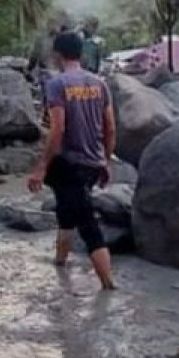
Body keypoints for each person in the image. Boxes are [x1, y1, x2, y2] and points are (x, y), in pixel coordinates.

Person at [28, 31, 118, 291]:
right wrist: (105, 160)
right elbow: (110, 127)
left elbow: (58, 130)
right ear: (81, 54)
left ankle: (109, 287)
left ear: (57, 54)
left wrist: (41, 167)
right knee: (67, 209)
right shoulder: (100, 84)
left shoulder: (57, 84)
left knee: (87, 223)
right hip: (92, 162)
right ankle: (59, 264)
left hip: (67, 162)